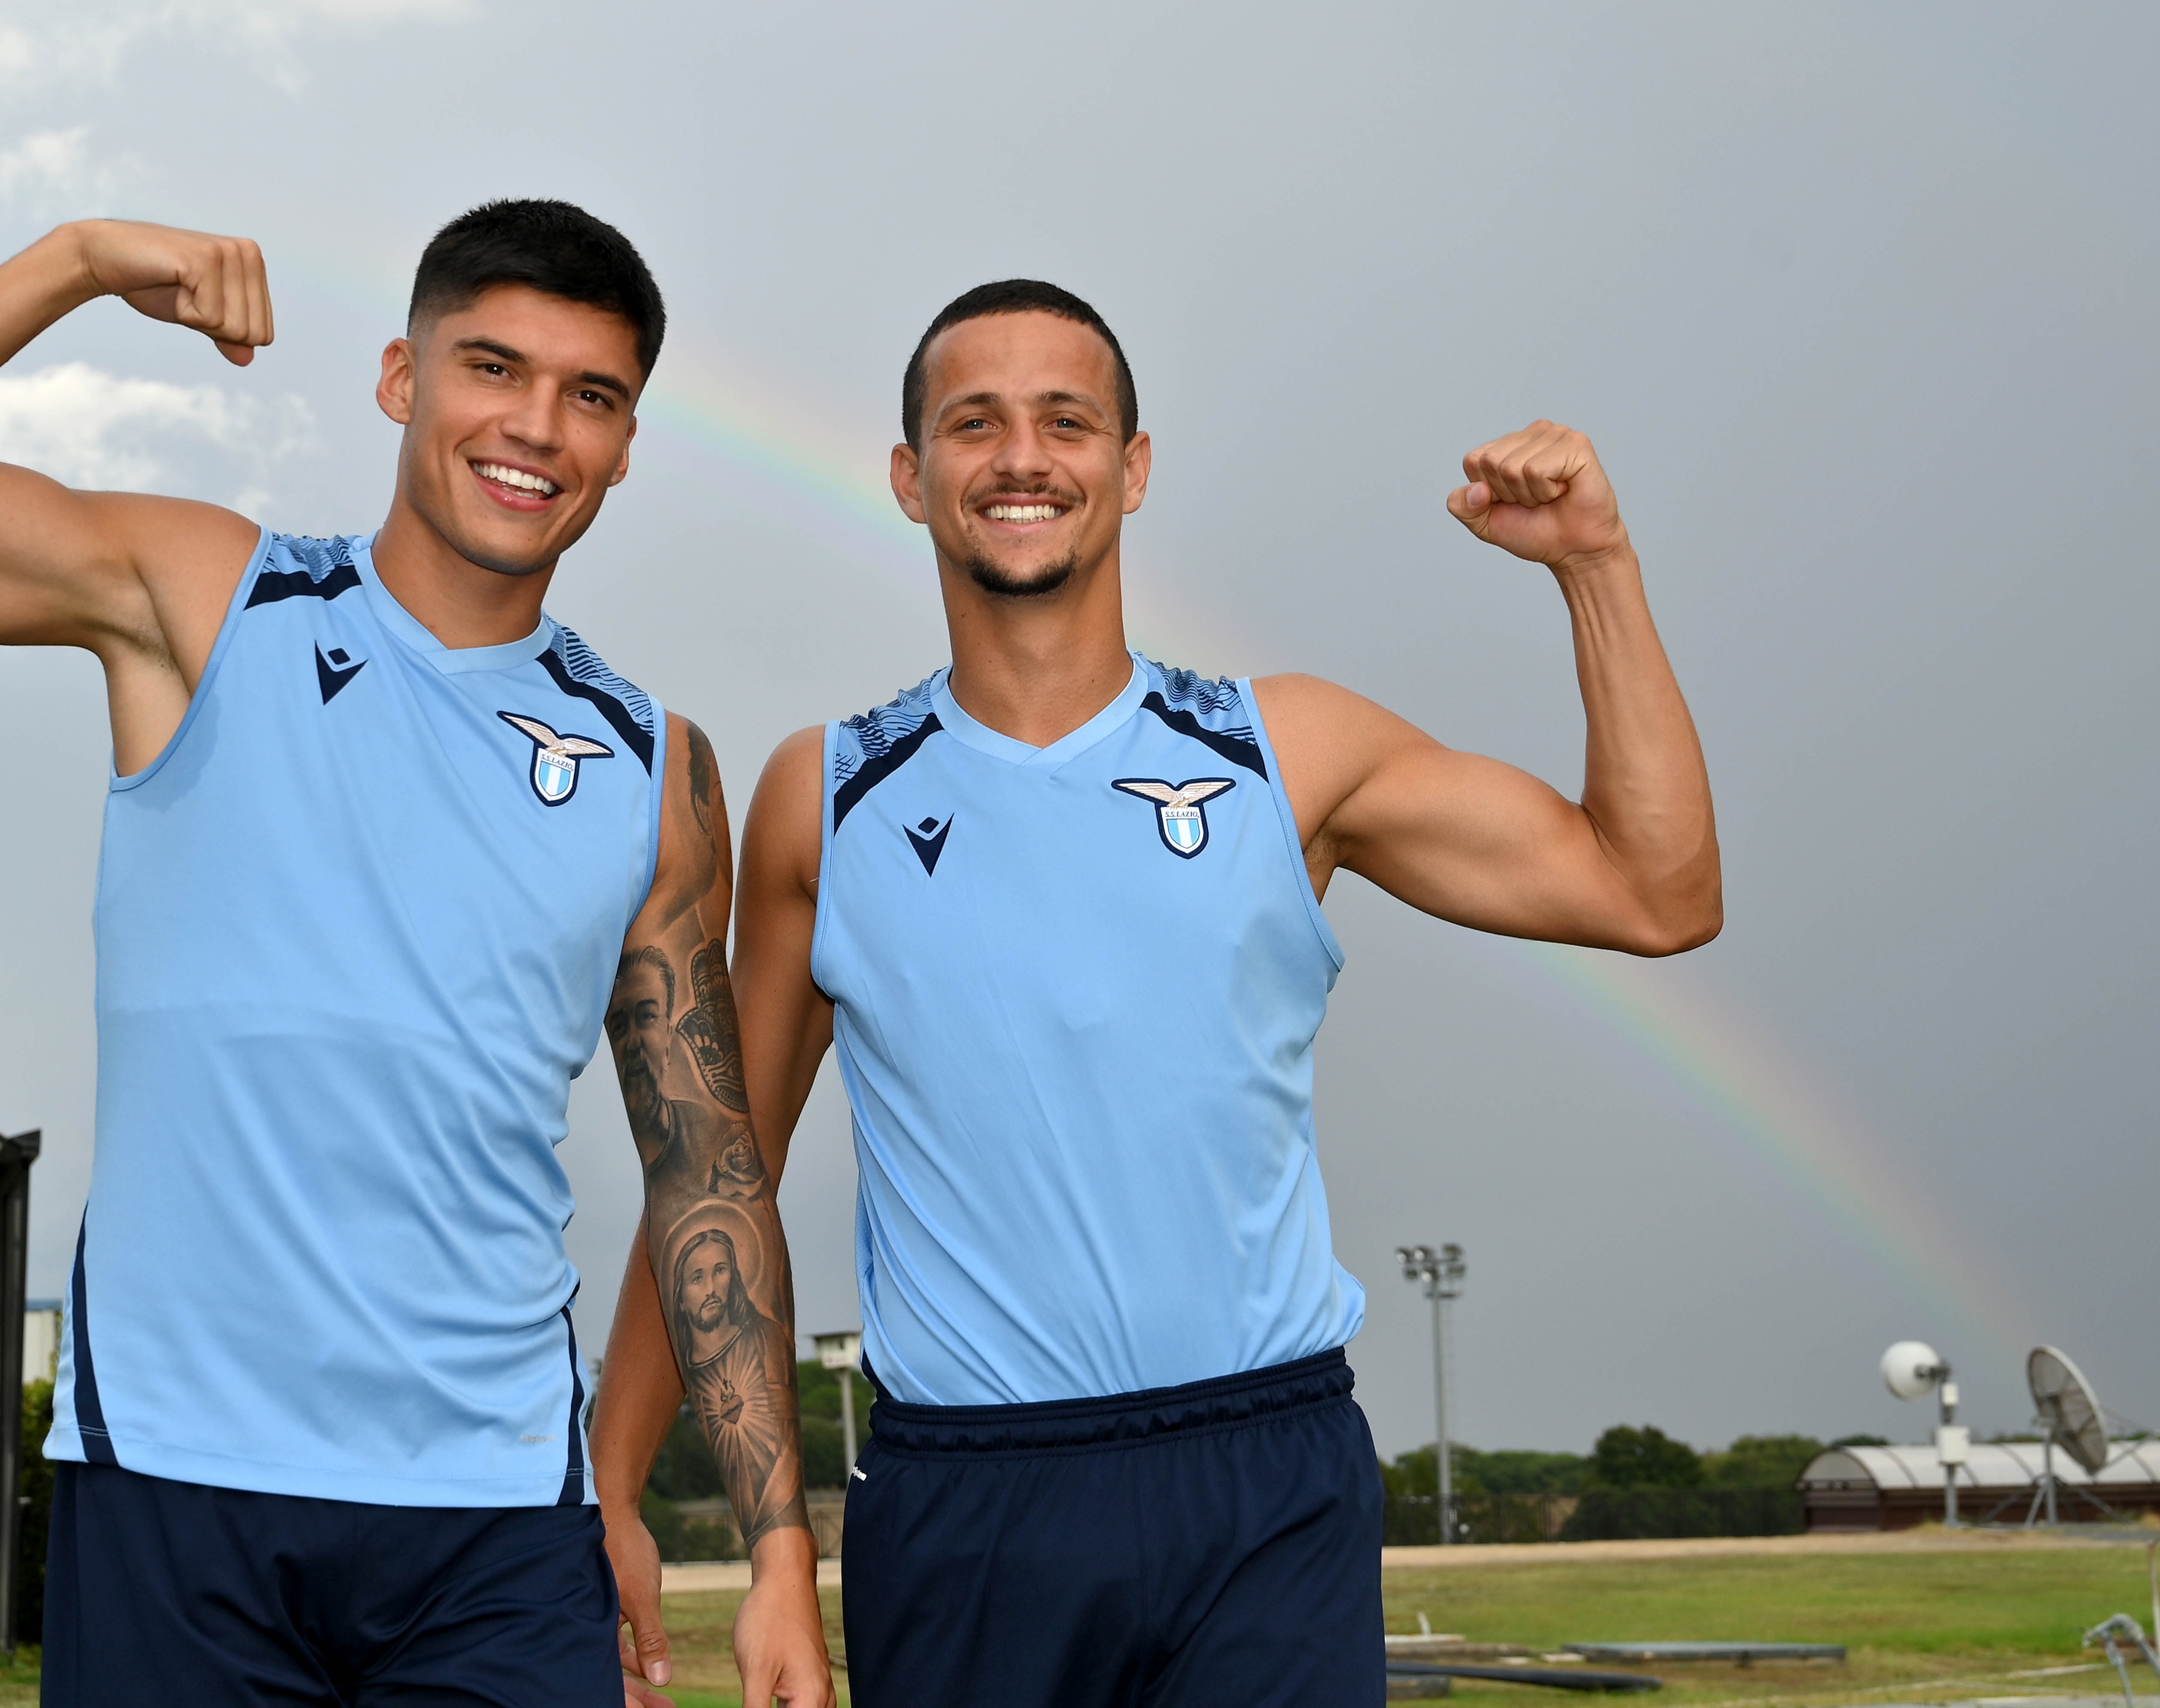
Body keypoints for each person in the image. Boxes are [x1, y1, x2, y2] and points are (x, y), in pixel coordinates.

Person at [0, 206, 829, 1707]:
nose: (536, 427)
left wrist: (771, 1546)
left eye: (591, 395)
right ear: (400, 378)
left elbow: (709, 1174)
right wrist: (76, 263)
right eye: (492, 367)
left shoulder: (651, 766)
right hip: (180, 1490)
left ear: (626, 446)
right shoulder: (205, 600)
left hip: (496, 1523)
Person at [591, 280, 1721, 1705]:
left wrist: (1598, 567)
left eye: (1066, 421)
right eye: (973, 423)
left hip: (1264, 1481)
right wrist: (612, 1482)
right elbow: (716, 1170)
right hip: (970, 1496)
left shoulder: (1286, 750)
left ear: (1130, 467)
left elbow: (1658, 889)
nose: (1021, 457)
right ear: (908, 473)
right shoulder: (825, 797)